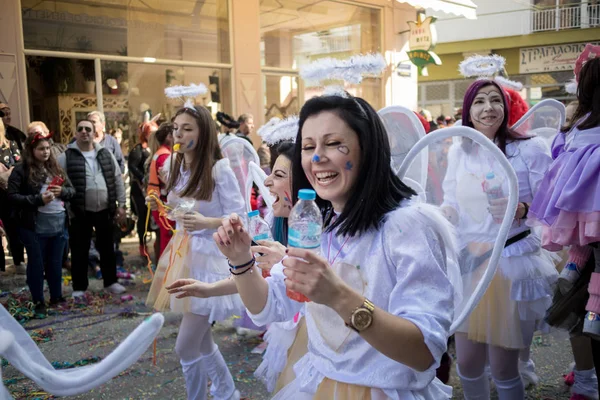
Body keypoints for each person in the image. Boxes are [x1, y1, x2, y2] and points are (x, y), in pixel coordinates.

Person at [211, 93, 459, 399]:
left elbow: (424, 351)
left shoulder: (407, 226)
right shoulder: (317, 223)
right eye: (309, 147)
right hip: (317, 385)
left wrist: (339, 296)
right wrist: (240, 261)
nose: (317, 159)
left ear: (367, 149)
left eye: (333, 144)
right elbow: (269, 305)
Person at [443, 79, 557, 399]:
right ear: (468, 110)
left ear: (506, 108)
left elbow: (551, 205)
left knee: (504, 366)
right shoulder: (459, 150)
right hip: (469, 264)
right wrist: (443, 215)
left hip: (508, 261)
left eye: (496, 100)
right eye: (479, 101)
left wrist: (522, 208)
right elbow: (451, 200)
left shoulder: (529, 148)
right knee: (466, 362)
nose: (488, 107)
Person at [167, 139, 307, 394]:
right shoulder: (274, 220)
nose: (265, 182)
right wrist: (208, 288)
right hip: (288, 327)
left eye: (277, 175)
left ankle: (224, 392)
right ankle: (225, 391)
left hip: (316, 338)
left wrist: (285, 260)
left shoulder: (323, 232)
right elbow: (259, 277)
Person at [145, 105, 245, 400]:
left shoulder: (218, 169)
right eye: (176, 127)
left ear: (204, 133)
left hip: (209, 261)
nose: (179, 133)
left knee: (185, 346)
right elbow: (179, 208)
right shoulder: (176, 165)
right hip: (183, 255)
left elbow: (241, 217)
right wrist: (161, 207)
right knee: (201, 342)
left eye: (187, 128)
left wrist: (207, 222)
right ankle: (227, 391)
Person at [529, 45, 600, 399]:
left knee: (577, 309)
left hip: (580, 244)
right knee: (581, 309)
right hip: (583, 245)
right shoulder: (574, 131)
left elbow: (557, 191)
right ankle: (586, 376)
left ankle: (586, 377)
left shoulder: (574, 132)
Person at [58, 120, 127, 297]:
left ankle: (110, 282)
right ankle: (80, 288)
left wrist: (122, 205)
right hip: (80, 211)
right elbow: (59, 181)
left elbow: (117, 179)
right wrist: (66, 207)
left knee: (107, 248)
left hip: (105, 209)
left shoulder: (105, 153)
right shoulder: (67, 156)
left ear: (94, 133)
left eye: (87, 129)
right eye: (80, 129)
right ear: (75, 132)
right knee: (79, 249)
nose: (83, 132)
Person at [7, 134, 74, 315]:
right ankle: (38, 301)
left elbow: (72, 190)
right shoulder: (21, 170)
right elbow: (12, 197)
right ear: (31, 150)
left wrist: (63, 191)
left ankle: (56, 297)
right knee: (36, 264)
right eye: (41, 149)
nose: (45, 152)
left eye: (47, 148)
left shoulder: (55, 167)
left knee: (55, 262)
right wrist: (38, 199)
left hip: (58, 223)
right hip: (33, 226)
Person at [0, 118, 25, 274]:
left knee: (14, 227)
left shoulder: (11, 144)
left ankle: (18, 260)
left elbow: (20, 164)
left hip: (10, 193)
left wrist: (8, 173)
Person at [129, 120, 156, 257]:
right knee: (143, 217)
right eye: (150, 133)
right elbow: (132, 166)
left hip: (154, 189)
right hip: (140, 190)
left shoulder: (157, 148)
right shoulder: (138, 149)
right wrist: (143, 179)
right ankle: (142, 245)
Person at [146, 122, 174, 257]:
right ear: (169, 136)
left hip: (161, 203)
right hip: (164, 205)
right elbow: (170, 182)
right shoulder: (164, 156)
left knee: (165, 240)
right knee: (168, 242)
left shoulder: (160, 153)